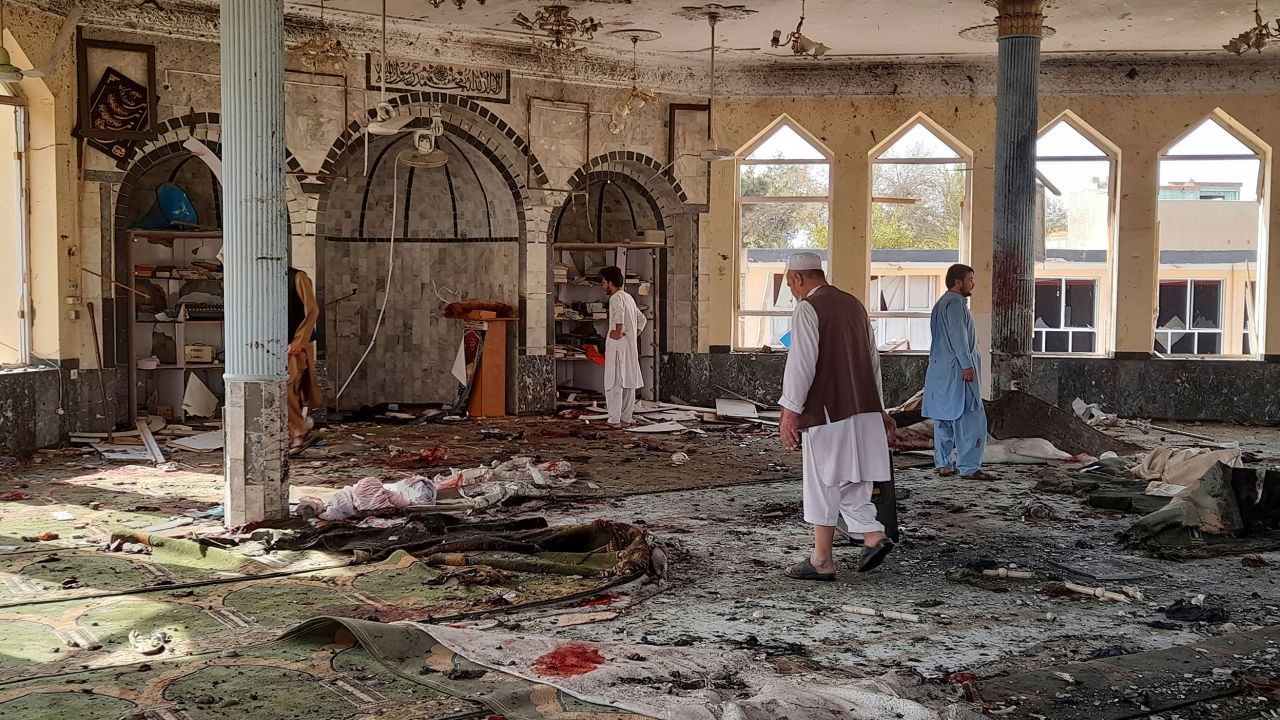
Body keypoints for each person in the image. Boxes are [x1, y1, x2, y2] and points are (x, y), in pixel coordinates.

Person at [777, 252, 896, 581]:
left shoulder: (808, 308)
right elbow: (873, 360)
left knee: (824, 482)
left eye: (790, 284)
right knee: (853, 481)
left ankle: (851, 545)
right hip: (863, 409)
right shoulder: (854, 305)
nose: (792, 292)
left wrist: (790, 411)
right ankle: (837, 551)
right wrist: (881, 408)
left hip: (829, 412)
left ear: (799, 279)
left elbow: (801, 364)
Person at [923, 263, 992, 480]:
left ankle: (944, 464)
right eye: (970, 279)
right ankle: (969, 467)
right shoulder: (955, 305)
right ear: (958, 282)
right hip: (959, 371)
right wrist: (967, 365)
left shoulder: (940, 304)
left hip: (941, 370)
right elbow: (958, 337)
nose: (973, 284)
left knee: (943, 417)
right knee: (971, 417)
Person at [601, 265, 646, 427]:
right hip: (629, 348)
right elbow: (642, 319)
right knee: (628, 383)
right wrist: (634, 334)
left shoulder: (616, 298)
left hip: (618, 347)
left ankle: (614, 420)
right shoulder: (629, 298)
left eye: (604, 282)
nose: (603, 285)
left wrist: (618, 331)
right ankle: (626, 418)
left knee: (615, 384)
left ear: (611, 283)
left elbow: (619, 313)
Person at [287, 267, 323, 454]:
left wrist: (299, 341)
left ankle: (299, 432)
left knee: (288, 388)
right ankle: (296, 431)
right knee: (289, 391)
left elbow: (312, 310)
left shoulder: (297, 277)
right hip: (275, 345)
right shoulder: (266, 279)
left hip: (295, 346)